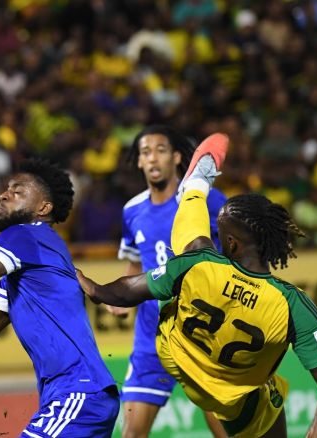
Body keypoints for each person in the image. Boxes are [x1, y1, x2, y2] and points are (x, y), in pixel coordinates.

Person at [78, 133, 317, 437]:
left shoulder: (197, 263)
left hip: (179, 353)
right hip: (238, 399)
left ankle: (195, 186)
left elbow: (128, 289)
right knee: (263, 400)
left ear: (230, 243)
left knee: (192, 228)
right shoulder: (294, 305)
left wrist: (93, 288)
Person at [0, 159, 120, 437]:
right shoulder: (28, 262)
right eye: (5, 188)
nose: (3, 194)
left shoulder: (25, 234)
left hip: (76, 390)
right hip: (81, 394)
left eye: (18, 190)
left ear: (43, 208)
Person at [111, 125, 227, 437]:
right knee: (131, 433)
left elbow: (236, 251)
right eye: (145, 152)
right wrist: (122, 297)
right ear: (138, 162)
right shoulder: (132, 210)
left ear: (176, 157)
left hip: (204, 332)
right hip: (153, 336)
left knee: (224, 431)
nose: (152, 159)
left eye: (160, 150)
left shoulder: (206, 199)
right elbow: (135, 262)